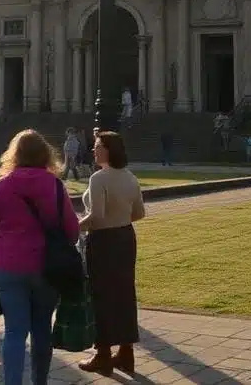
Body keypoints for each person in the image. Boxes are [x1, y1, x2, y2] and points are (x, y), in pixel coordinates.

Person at [0, 129, 79, 385]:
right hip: (46, 267)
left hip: (8, 265)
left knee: (14, 331)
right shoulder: (55, 185)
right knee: (41, 329)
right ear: (46, 154)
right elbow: (72, 229)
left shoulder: (2, 186)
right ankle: (40, 381)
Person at [78, 130, 145, 375]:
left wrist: (73, 227)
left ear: (109, 149)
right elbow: (139, 213)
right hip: (126, 238)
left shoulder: (99, 179)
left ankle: (103, 353)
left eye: (98, 146)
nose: (93, 150)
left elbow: (96, 216)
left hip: (104, 241)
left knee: (101, 296)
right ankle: (126, 352)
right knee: (124, 293)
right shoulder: (130, 177)